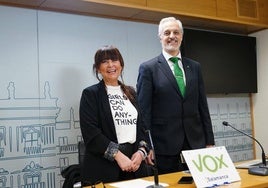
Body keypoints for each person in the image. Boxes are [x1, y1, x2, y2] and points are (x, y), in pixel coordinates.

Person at [136, 17, 215, 174]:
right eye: (167, 32)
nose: (172, 36)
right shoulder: (148, 68)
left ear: (181, 36)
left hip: (195, 143)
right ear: (160, 37)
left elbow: (202, 106)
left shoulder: (195, 67)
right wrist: (146, 146)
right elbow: (144, 112)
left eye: (176, 32)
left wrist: (209, 141)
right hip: (164, 146)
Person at [79, 45, 149, 185]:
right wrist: (117, 155)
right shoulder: (90, 94)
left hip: (134, 166)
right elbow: (91, 133)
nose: (110, 65)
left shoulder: (131, 93)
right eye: (104, 62)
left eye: (114, 60)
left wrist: (141, 152)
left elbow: (142, 127)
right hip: (104, 168)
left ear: (121, 65)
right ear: (98, 68)